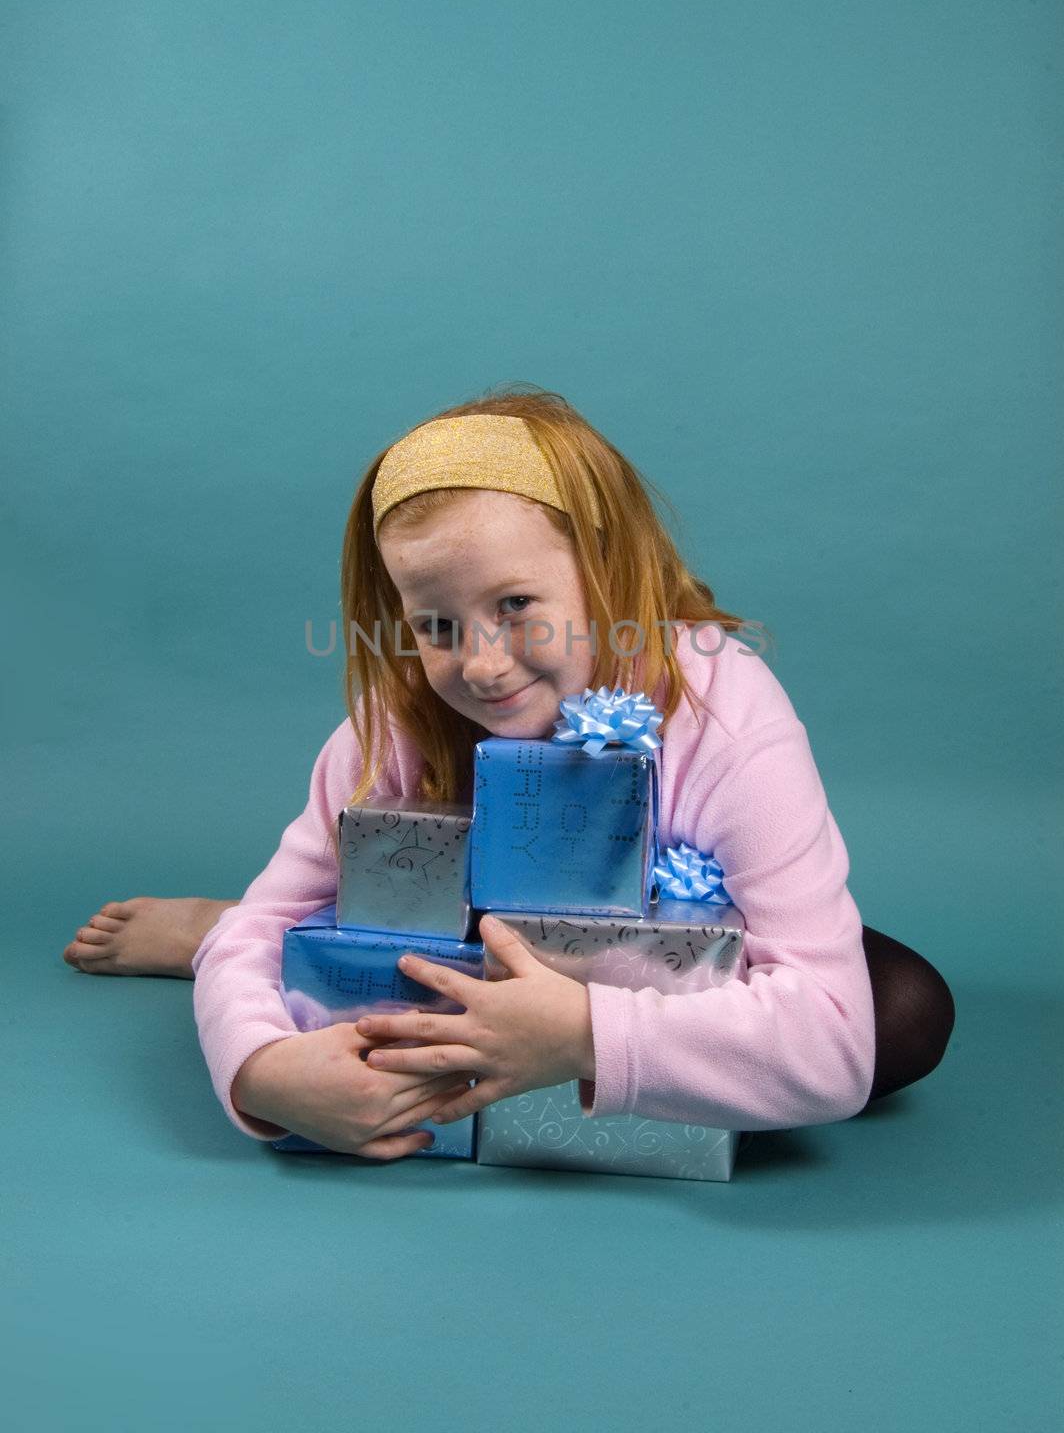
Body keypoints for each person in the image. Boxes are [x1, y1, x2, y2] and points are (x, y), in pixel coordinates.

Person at [62, 387, 955, 1162]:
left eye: (516, 605)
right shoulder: (399, 721)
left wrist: (580, 1034)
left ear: (604, 566)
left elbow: (834, 1042)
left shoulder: (724, 711)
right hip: (450, 943)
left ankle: (523, 1039)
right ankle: (319, 932)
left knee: (902, 1011)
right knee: (268, 944)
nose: (482, 666)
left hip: (645, 964)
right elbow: (266, 933)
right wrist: (259, 1071)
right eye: (436, 625)